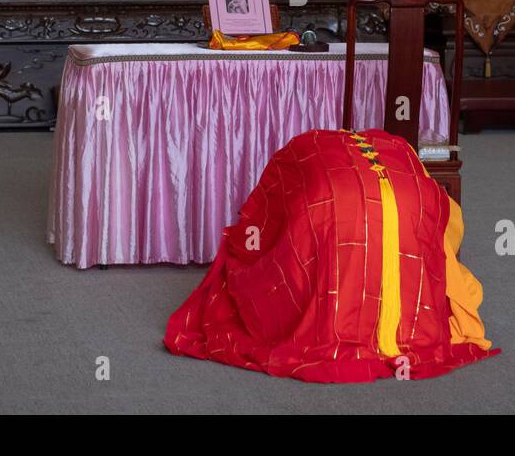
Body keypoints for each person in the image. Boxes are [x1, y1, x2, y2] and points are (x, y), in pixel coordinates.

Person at [165, 128, 497, 382]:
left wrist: (244, 245)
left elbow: (263, 225)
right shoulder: (400, 153)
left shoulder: (296, 154)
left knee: (281, 267)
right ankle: (392, 331)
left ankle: (350, 323)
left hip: (337, 214)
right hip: (411, 211)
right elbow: (445, 224)